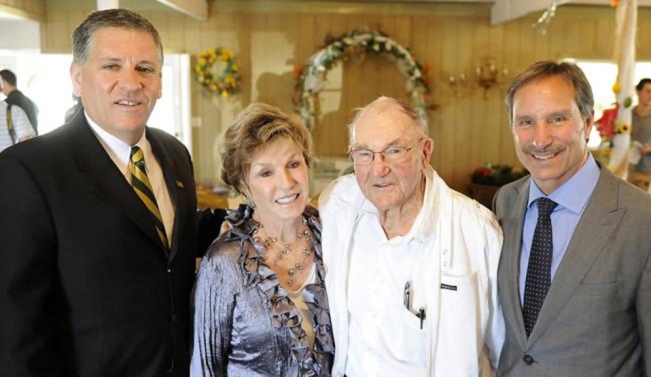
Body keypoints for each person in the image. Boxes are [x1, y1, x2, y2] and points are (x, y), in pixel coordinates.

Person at [0, 9, 223, 377]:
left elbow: (160, 245)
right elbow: (14, 326)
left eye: (144, 68)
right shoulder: (28, 170)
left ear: (160, 82)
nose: (131, 83)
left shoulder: (175, 154)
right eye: (111, 66)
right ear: (77, 77)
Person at [494, 60, 651, 376]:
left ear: (588, 124)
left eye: (557, 119)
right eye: (526, 122)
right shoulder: (505, 202)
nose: (540, 139)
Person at [319, 96, 504, 377]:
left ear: (425, 152)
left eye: (393, 151)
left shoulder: (476, 230)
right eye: (364, 153)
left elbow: (503, 347)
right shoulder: (336, 205)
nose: (378, 169)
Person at [191, 103, 335, 376]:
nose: (287, 182)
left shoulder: (331, 236)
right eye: (266, 173)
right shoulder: (225, 261)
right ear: (244, 184)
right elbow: (205, 367)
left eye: (294, 164)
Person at [1, 69, 39, 135]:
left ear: (3, 82)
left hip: (20, 144)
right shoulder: (31, 103)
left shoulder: (6, 106)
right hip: (34, 143)